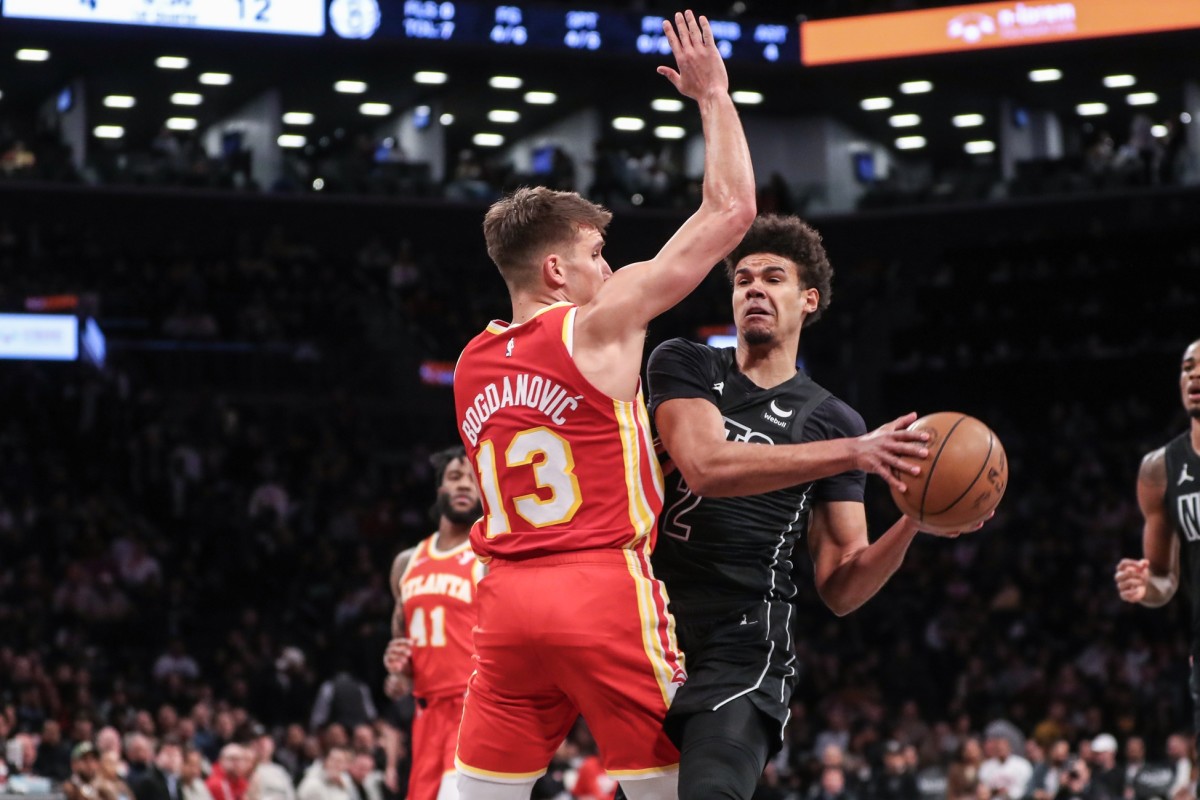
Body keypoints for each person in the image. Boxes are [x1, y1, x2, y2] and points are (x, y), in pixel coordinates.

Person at [451, 9, 756, 797]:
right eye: (595, 253)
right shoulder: (597, 323)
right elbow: (729, 215)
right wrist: (714, 97)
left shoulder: (470, 363)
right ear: (556, 270)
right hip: (599, 587)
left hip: (506, 602)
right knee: (673, 790)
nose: (608, 264)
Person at [644, 213, 980, 798]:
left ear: (808, 300)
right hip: (648, 626)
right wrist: (853, 452)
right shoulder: (686, 363)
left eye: (773, 278)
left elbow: (843, 587)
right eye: (743, 278)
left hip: (742, 640)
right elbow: (705, 465)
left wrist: (912, 521)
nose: (754, 288)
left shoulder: (831, 419)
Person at [380, 446, 483, 800]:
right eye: (455, 478)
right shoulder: (407, 562)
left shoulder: (490, 556)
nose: (464, 486)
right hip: (425, 716)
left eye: (473, 479)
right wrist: (398, 671)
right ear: (439, 489)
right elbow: (402, 643)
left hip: (472, 709)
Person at [1114, 338, 1200, 735]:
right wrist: (1146, 585)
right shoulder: (1159, 469)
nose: (1194, 374)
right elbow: (1165, 579)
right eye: (1187, 367)